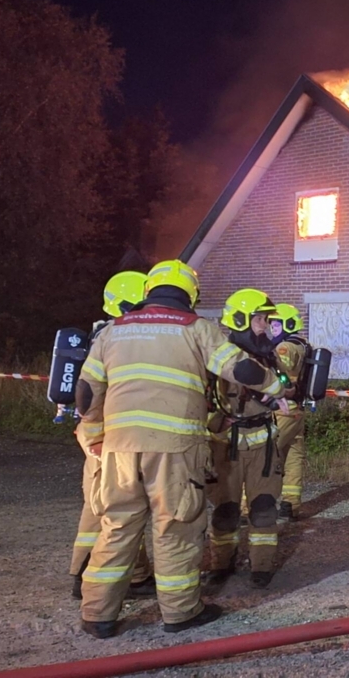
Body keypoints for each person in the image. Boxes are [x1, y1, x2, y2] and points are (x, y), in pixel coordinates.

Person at [75, 261, 288, 639]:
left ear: (149, 292)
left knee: (117, 525)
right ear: (191, 294)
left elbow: (87, 392)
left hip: (119, 449)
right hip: (174, 449)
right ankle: (180, 612)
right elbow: (241, 371)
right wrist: (274, 387)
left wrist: (94, 436)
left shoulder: (113, 332)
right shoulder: (196, 329)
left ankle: (98, 615)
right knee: (175, 525)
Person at [70, 271, 155, 601]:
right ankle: (84, 576)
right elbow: (92, 399)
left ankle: (137, 576)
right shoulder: (112, 339)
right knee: (105, 512)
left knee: (119, 509)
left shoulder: (111, 337)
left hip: (110, 438)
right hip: (106, 440)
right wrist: (97, 443)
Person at [205, 289, 289, 589]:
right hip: (226, 446)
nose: (265, 325)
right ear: (240, 319)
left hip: (264, 443)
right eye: (260, 319)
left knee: (264, 507)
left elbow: (285, 386)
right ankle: (221, 564)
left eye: (266, 319)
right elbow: (199, 401)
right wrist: (214, 423)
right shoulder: (218, 359)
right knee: (225, 510)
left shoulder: (268, 354)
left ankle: (261, 567)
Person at [268, 304, 309, 521]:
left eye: (276, 324)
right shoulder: (303, 345)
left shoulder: (285, 347)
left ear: (288, 324)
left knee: (265, 455)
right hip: (298, 410)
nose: (273, 328)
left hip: (284, 409)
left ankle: (247, 508)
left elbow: (278, 374)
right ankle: (290, 505)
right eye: (272, 324)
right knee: (294, 456)